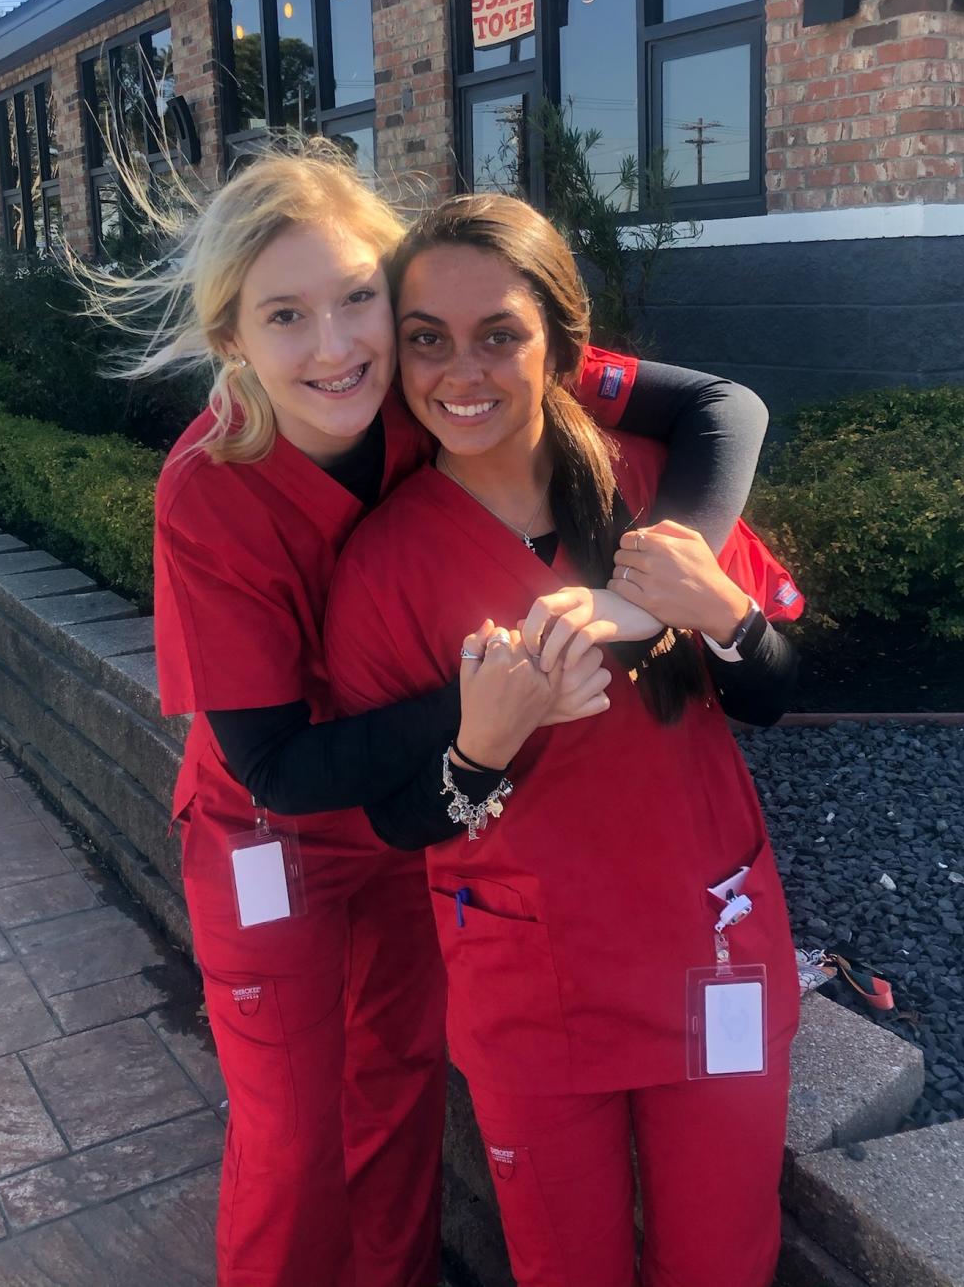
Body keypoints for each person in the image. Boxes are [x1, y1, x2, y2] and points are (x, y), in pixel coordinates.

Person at [96, 138, 774, 1287]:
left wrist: (662, 590)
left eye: (359, 297)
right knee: (293, 1129)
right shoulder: (209, 490)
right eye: (285, 316)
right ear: (231, 340)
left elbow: (719, 405)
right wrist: (488, 704)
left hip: (428, 807)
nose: (334, 344)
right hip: (281, 836)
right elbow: (280, 765)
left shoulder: (436, 383)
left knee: (399, 1085)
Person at [325, 192, 803, 1287]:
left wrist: (715, 609)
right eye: (426, 341)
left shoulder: (654, 490)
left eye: (499, 334)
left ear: (559, 347)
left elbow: (776, 693)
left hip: (708, 956)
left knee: (723, 1261)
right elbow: (396, 818)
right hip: (533, 994)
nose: (463, 372)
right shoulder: (383, 569)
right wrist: (478, 748)